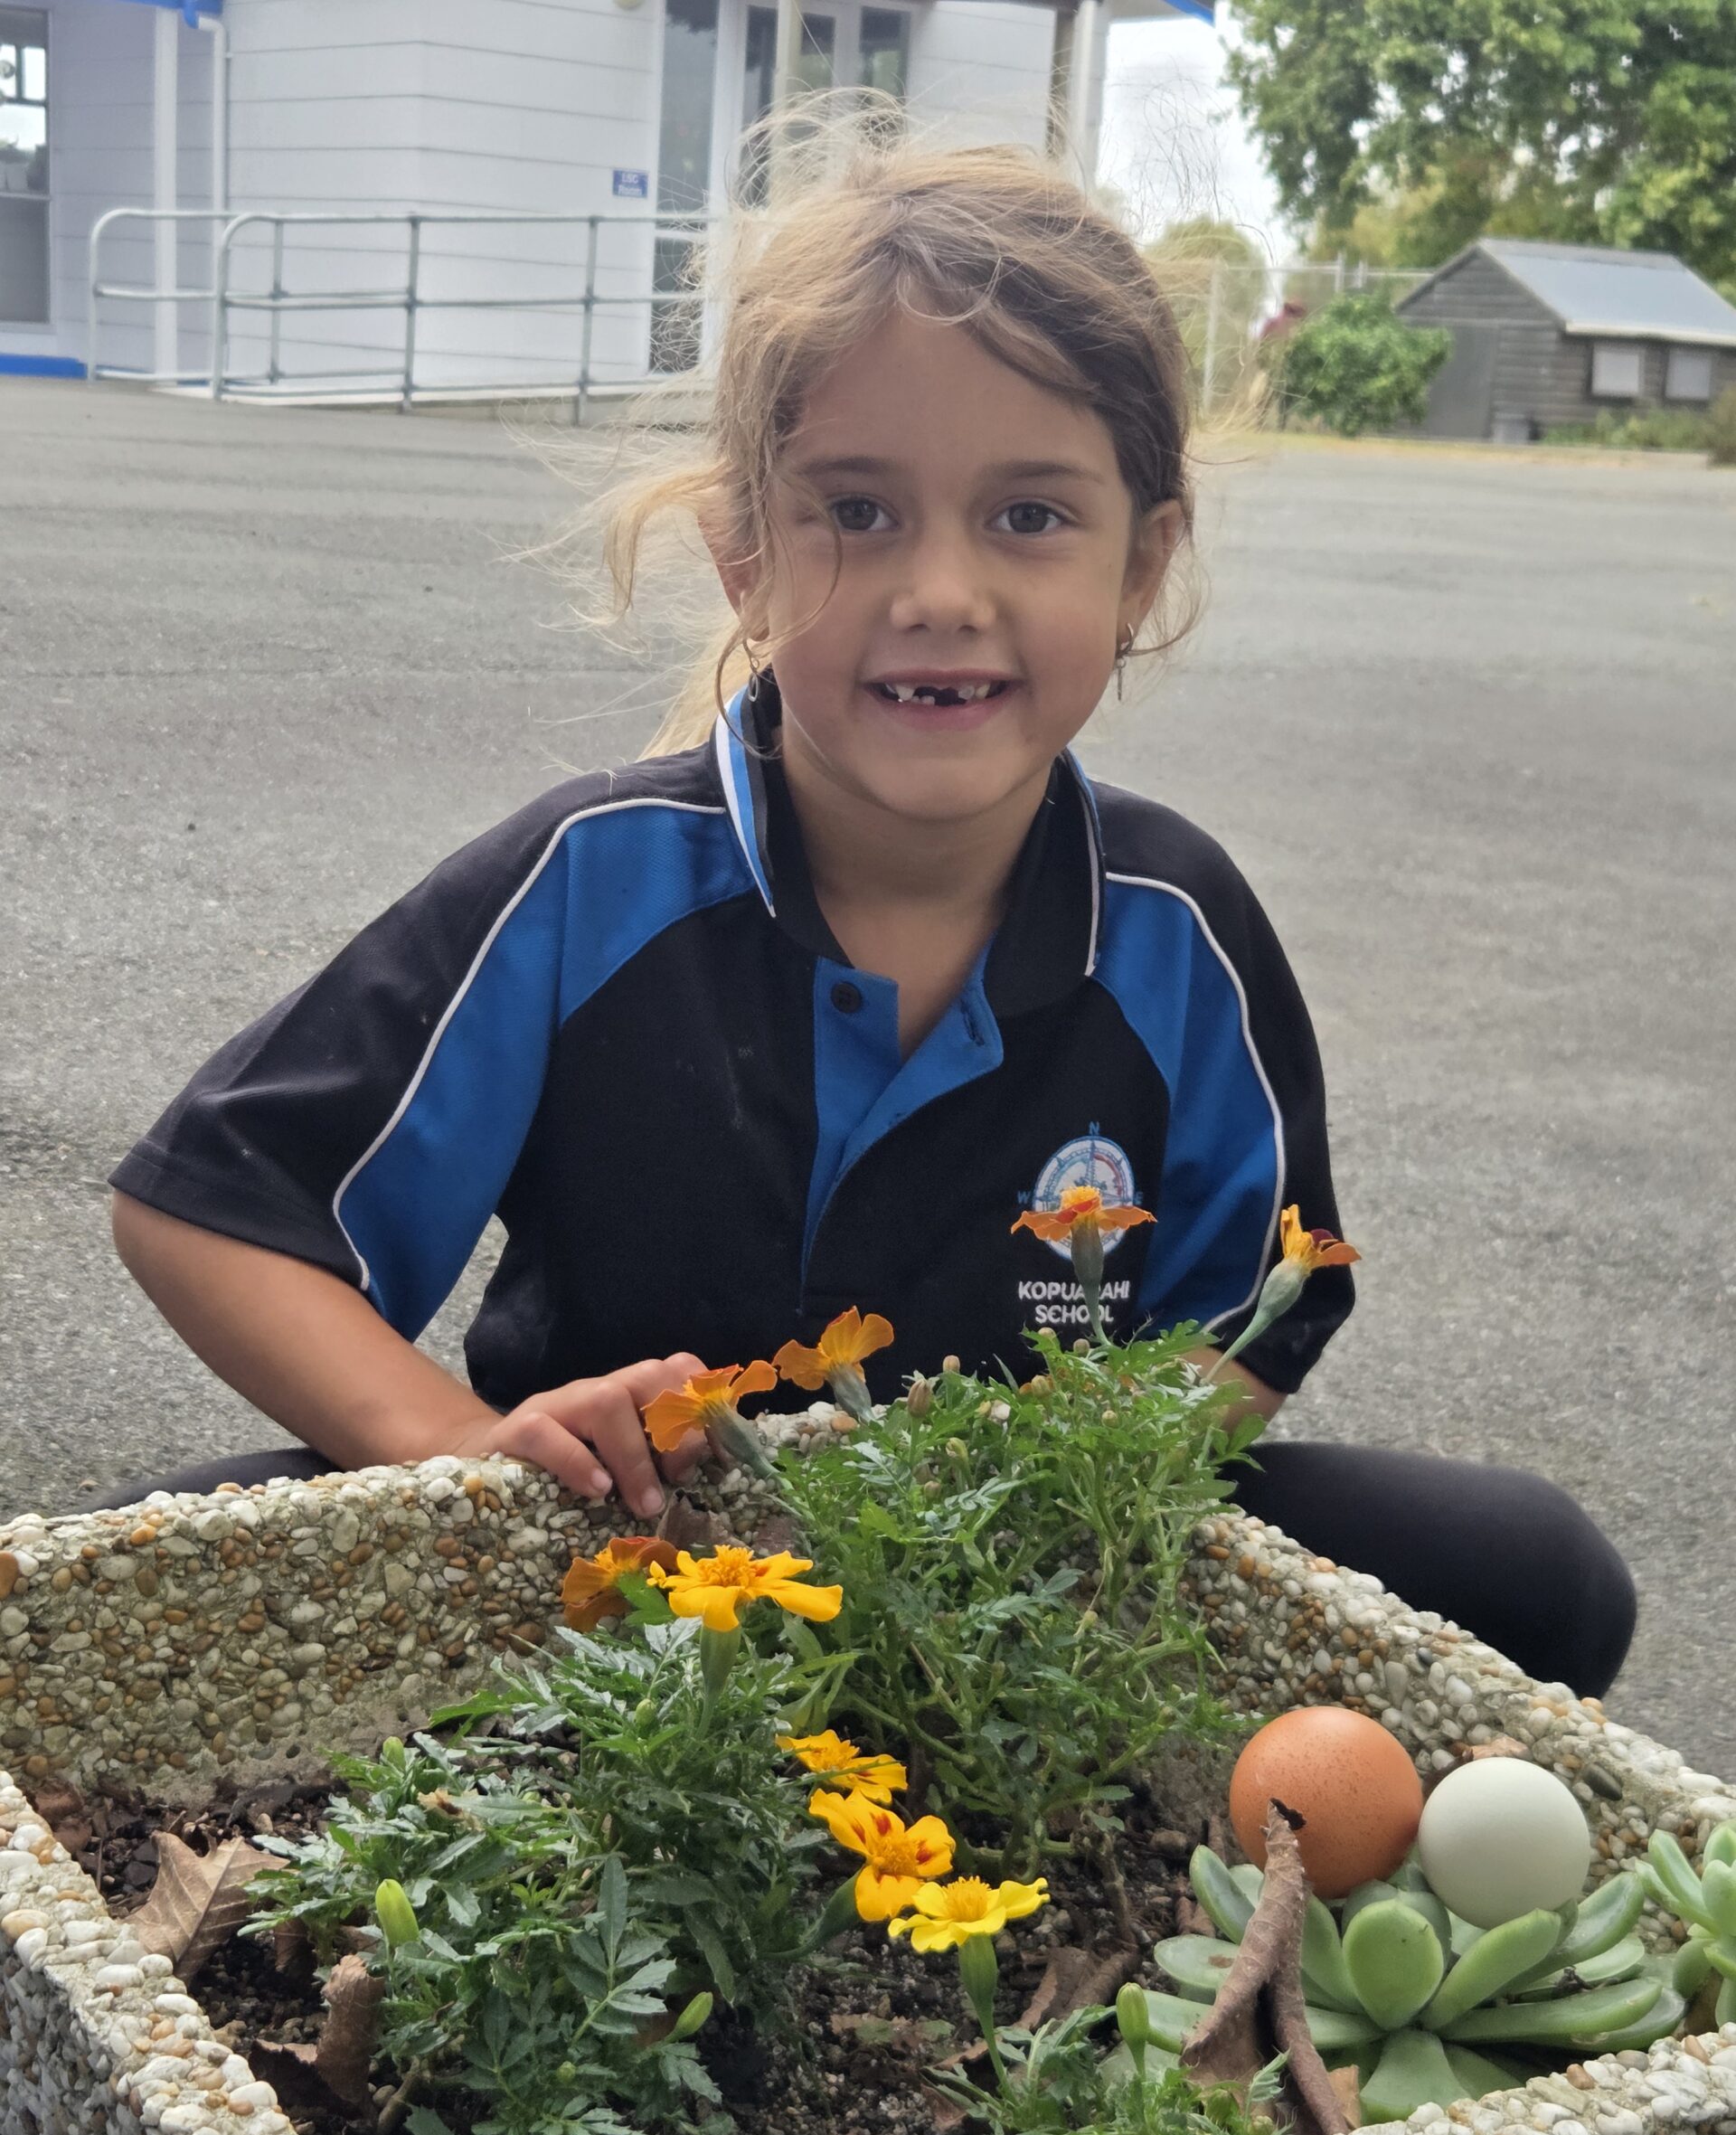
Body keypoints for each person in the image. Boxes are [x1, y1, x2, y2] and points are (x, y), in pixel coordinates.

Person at [96, 130, 1635, 1700]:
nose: (941, 592)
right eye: (858, 509)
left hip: (1014, 1596)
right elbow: (216, 1213)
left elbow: (1251, 1318)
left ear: (1142, 565)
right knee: (107, 1594)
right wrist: (467, 1453)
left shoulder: (1179, 933)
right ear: (744, 557)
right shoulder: (590, 884)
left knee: (1536, 1572)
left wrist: (1040, 1511)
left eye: (1029, 515)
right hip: (608, 1592)